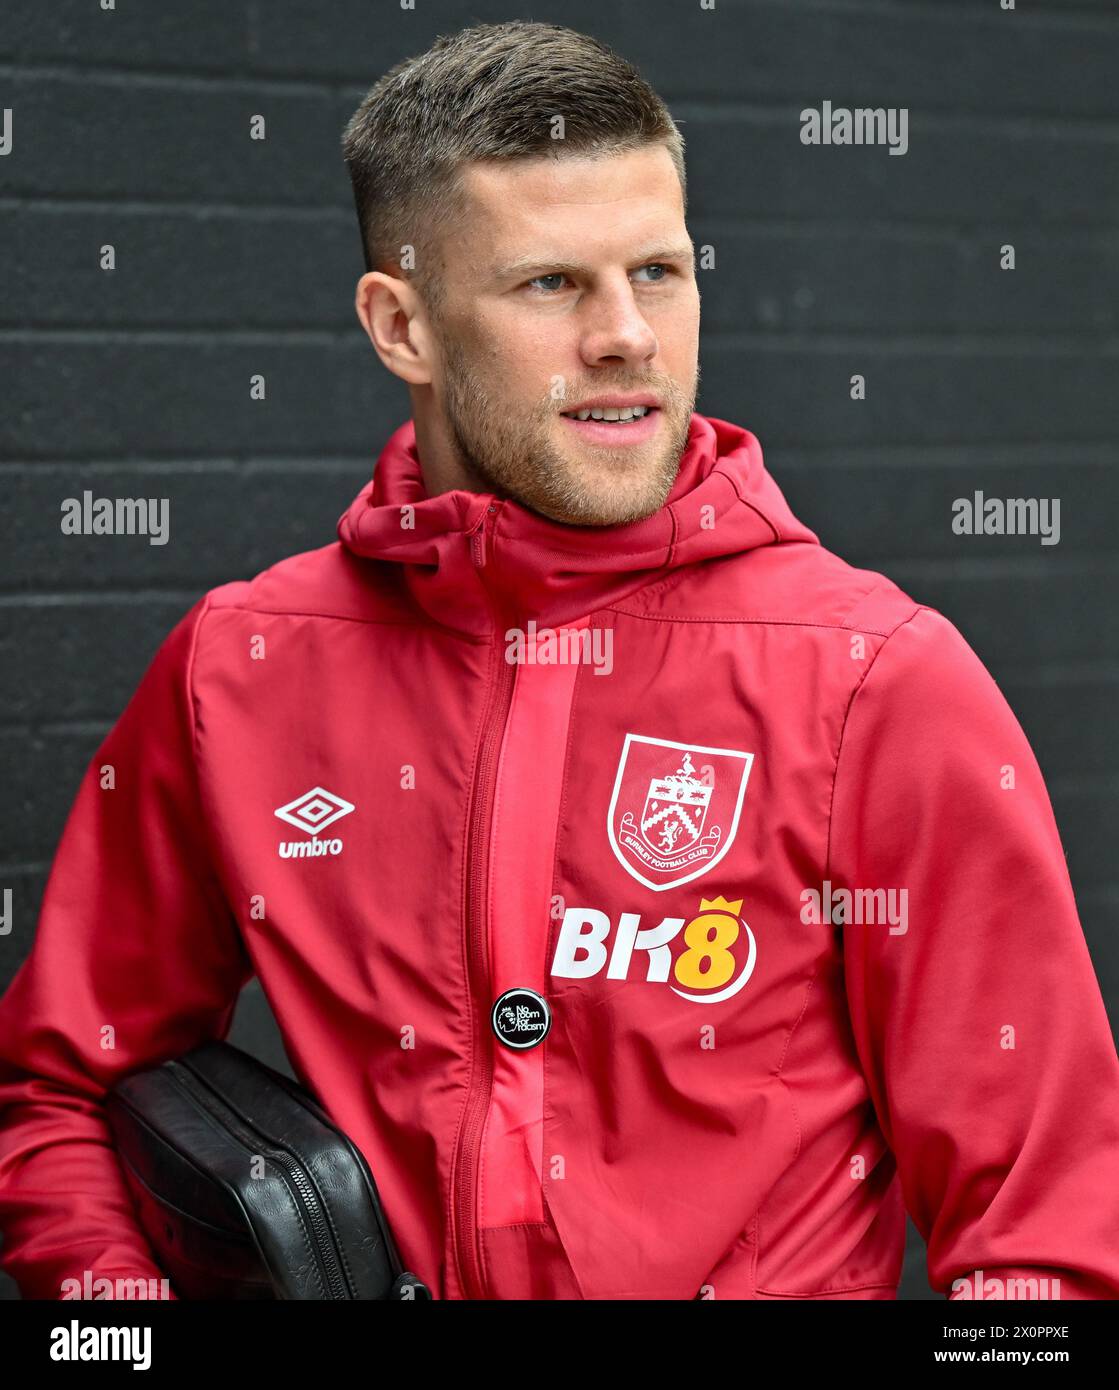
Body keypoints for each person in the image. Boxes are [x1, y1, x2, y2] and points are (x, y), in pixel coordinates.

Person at [1, 20, 1116, 1302]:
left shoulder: (880, 679)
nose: (628, 336)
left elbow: (1046, 1234)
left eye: (660, 270)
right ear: (400, 325)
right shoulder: (240, 669)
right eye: (551, 285)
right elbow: (62, 1080)